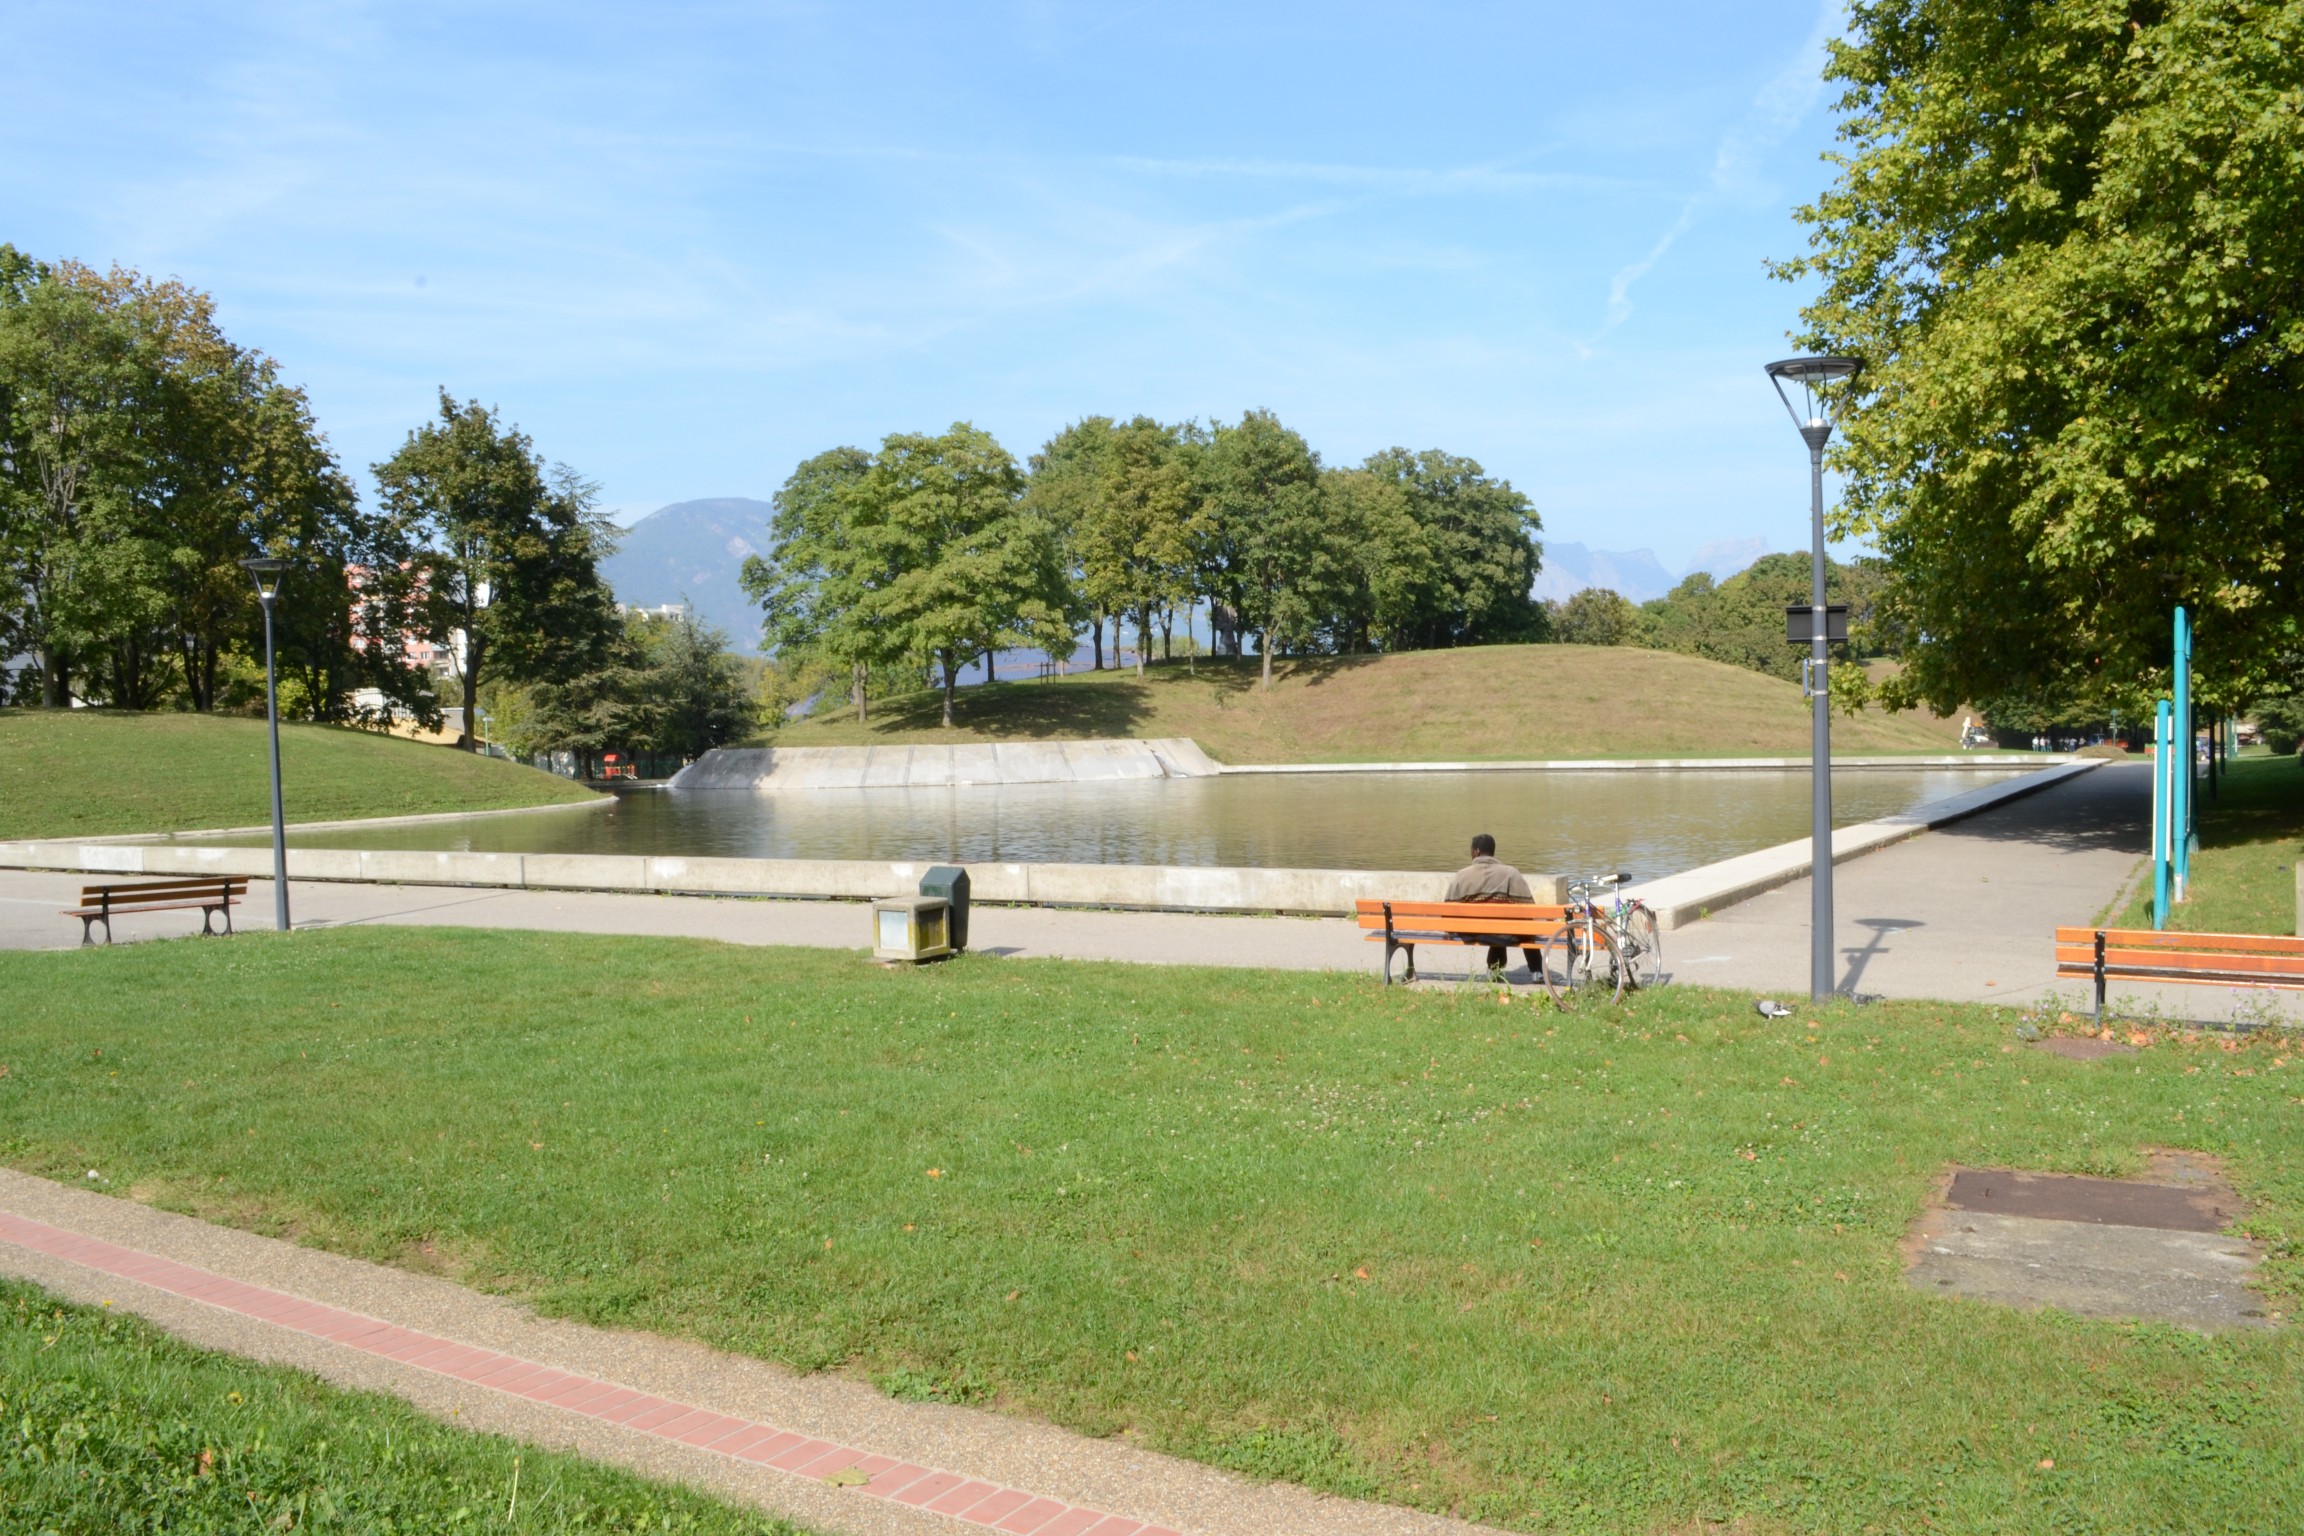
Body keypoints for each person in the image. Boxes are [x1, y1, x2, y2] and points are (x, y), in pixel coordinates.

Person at [1445, 833, 1542, 979]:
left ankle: (1494, 970)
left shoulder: (1461, 875)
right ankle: (1537, 971)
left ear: (1477, 851)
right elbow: (1528, 907)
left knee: (1497, 929)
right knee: (1515, 928)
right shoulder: (1510, 873)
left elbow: (1448, 909)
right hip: (1502, 932)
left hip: (1471, 931)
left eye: (1471, 850)